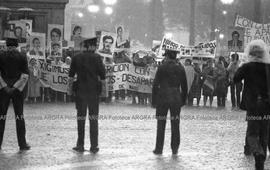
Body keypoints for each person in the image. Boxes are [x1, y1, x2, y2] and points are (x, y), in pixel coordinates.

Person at [234, 39, 270, 170]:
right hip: (267, 106)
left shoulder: (247, 67)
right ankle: (260, 163)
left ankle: (257, 152)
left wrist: (242, 64)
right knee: (264, 134)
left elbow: (235, 78)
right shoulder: (268, 67)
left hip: (253, 106)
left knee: (252, 134)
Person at [68, 37, 105, 153]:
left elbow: (70, 75)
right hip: (94, 92)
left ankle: (80, 144)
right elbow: (103, 76)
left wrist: (69, 91)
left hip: (80, 92)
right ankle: (94, 146)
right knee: (94, 119)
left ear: (85, 46)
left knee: (81, 118)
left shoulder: (76, 57)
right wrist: (104, 92)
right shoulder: (98, 57)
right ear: (92, 46)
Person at [152, 49, 187, 155]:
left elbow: (155, 84)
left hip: (163, 97)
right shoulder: (180, 68)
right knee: (175, 123)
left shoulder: (162, 67)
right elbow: (184, 86)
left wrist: (154, 100)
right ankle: (175, 148)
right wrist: (183, 100)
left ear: (167, 56)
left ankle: (159, 149)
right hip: (176, 98)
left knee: (161, 124)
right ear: (175, 57)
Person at [0, 38, 30, 151]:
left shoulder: (1, 55)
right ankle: (22, 144)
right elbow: (26, 74)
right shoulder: (22, 56)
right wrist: (15, 87)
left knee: (1, 117)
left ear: (7, 45)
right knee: (19, 116)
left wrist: (5, 87)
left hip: (3, 91)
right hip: (17, 91)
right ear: (17, 45)